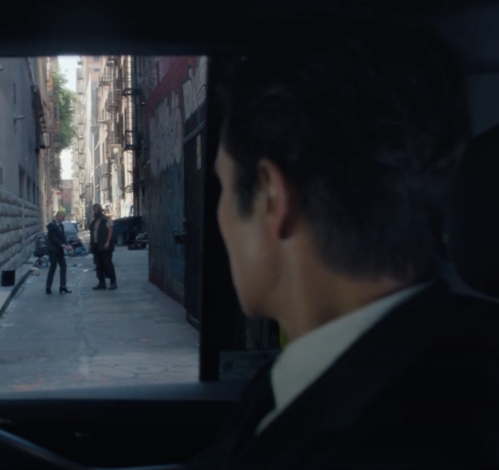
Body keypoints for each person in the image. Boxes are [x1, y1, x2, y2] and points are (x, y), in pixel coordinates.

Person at [188, 16, 499, 469]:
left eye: (222, 185)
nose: (221, 217)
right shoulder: (340, 369)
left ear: (272, 197)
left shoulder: (401, 445)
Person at [89, 203, 117, 290]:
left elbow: (110, 231)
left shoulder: (106, 220)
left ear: (100, 210)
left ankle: (113, 282)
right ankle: (101, 283)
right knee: (99, 265)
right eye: (94, 210)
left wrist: (107, 242)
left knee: (108, 264)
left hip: (105, 246)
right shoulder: (94, 222)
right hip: (97, 246)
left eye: (96, 210)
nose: (94, 212)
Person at [45, 211, 71, 294]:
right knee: (53, 268)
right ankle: (48, 287)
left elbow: (62, 237)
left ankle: (63, 286)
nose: (62, 219)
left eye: (63, 218)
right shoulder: (51, 226)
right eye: (62, 218)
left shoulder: (61, 226)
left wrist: (67, 244)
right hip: (53, 250)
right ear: (57, 217)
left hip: (60, 251)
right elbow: (53, 238)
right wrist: (62, 245)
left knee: (63, 267)